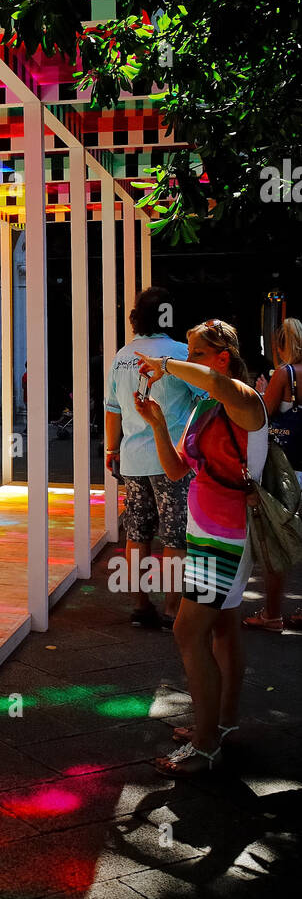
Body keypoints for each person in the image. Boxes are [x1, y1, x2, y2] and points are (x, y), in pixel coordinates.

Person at [134, 319, 268, 774]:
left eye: (194, 353)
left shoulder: (244, 402)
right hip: (206, 533)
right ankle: (221, 724)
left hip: (224, 539)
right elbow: (176, 471)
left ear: (221, 357)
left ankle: (206, 744)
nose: (187, 361)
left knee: (187, 632)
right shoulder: (206, 408)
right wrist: (155, 424)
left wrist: (164, 365)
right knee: (224, 628)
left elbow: (211, 380)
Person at [104, 286, 198, 629]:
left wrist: (112, 449)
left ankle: (140, 604)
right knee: (175, 535)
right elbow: (205, 397)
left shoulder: (122, 355)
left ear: (136, 318)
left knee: (137, 532)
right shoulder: (180, 353)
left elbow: (112, 409)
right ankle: (173, 607)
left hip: (132, 459)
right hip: (172, 460)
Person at [243, 317, 302, 631]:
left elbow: (262, 414)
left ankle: (273, 614)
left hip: (288, 469)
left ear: (283, 346)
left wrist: (261, 393)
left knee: (276, 542)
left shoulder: (286, 374)